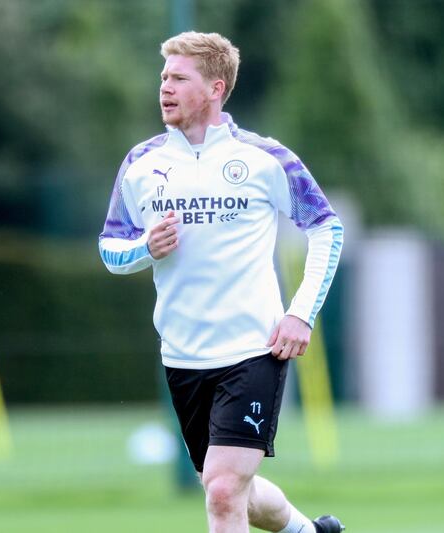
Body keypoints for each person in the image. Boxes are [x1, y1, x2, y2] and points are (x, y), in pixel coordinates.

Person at [99, 31, 345, 533]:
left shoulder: (264, 157)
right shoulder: (141, 165)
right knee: (234, 489)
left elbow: (326, 227)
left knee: (223, 489)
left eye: (178, 78)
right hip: (183, 355)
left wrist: (300, 312)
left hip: (253, 350)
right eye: (163, 76)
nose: (164, 87)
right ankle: (308, 531)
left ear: (215, 88)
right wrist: (145, 248)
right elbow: (109, 249)